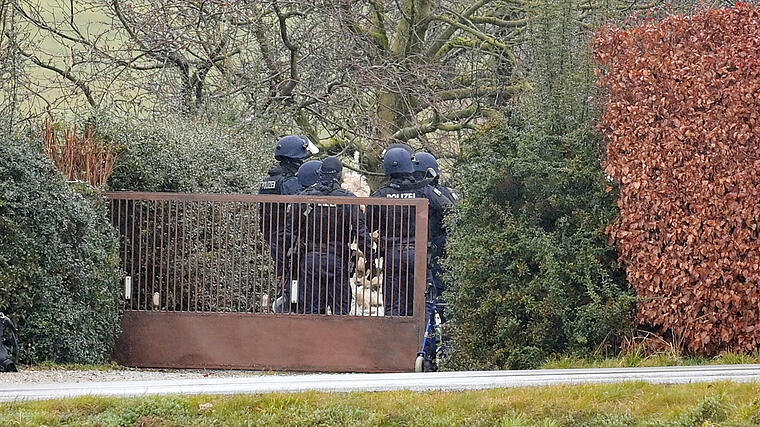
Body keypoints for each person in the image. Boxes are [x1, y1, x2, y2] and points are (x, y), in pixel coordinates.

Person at [370, 147, 450, 316]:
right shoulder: (424, 191)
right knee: (423, 302)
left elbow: (369, 223)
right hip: (419, 254)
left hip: (393, 255)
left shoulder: (381, 195)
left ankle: (393, 341)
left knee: (393, 304)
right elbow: (449, 210)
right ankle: (424, 341)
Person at [286, 156, 369, 314]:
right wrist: (371, 256)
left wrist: (286, 260)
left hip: (309, 260)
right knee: (340, 311)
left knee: (311, 310)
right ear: (339, 175)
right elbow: (361, 231)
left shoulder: (304, 197)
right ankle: (338, 338)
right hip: (337, 260)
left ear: (320, 173)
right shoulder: (347, 199)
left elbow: (290, 231)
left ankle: (311, 338)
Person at [259, 135, 317, 313]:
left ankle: (286, 306)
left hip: (272, 236)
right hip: (289, 238)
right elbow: (306, 202)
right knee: (294, 278)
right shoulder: (289, 183)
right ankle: (290, 311)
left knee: (283, 275)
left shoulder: (268, 182)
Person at [412, 152, 457, 299]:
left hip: (438, 246)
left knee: (438, 289)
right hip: (444, 246)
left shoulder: (432, 193)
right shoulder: (444, 192)